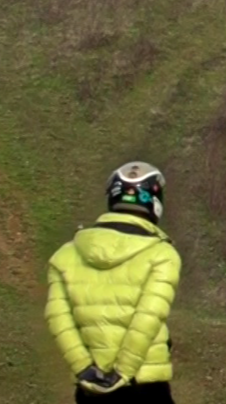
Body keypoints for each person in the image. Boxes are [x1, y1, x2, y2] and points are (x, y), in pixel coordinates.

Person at [45, 162, 182, 403]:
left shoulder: (64, 256)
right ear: (155, 201)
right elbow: (148, 318)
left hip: (90, 386)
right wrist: (122, 373)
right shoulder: (162, 255)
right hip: (144, 384)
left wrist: (84, 369)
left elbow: (59, 319)